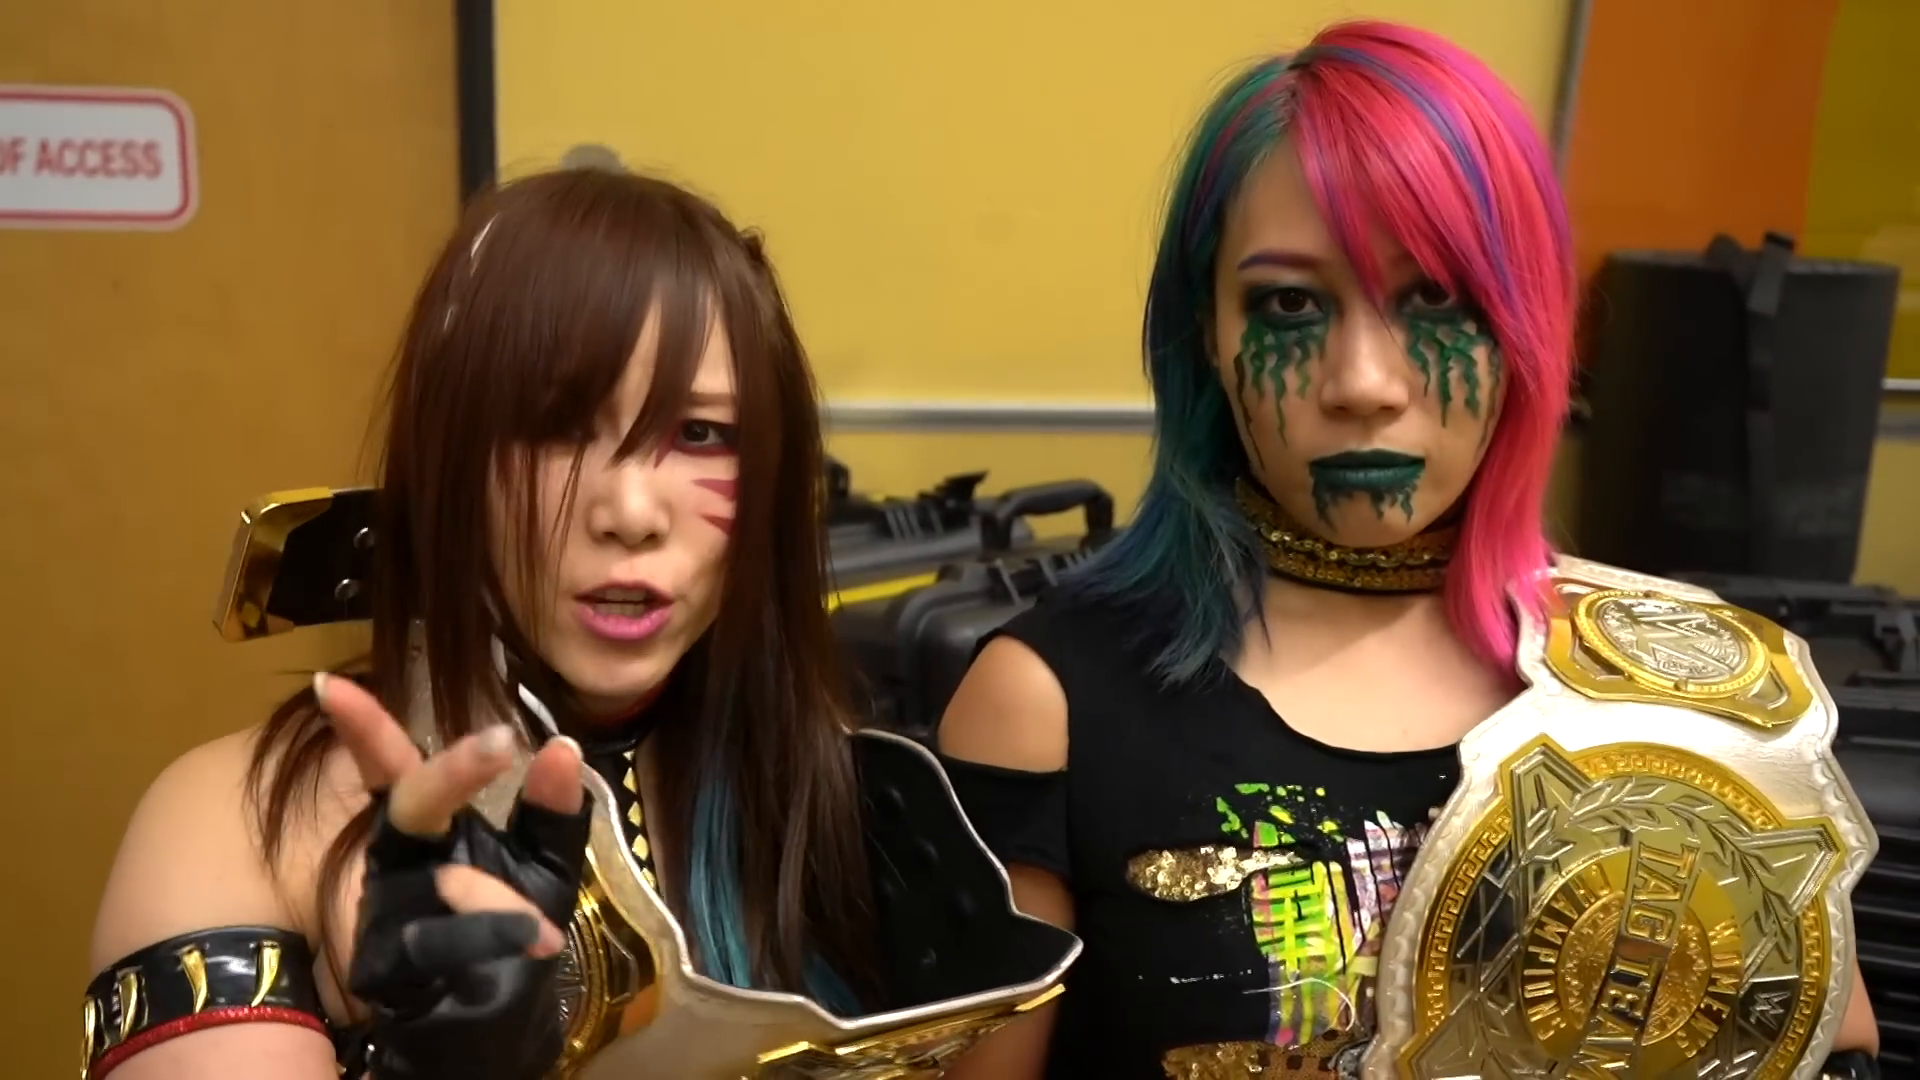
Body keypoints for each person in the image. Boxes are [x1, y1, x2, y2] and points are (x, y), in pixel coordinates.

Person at [935, 20, 1884, 1080]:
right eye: (1289, 303)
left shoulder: (1684, 693)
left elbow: (1824, 1044)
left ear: (1524, 326)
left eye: (1434, 298)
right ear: (1208, 334)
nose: (1364, 383)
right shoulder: (1047, 705)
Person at [84, 168, 1075, 1080]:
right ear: (448, 464)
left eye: (702, 433)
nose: (630, 512)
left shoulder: (842, 807)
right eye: (556, 428)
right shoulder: (236, 824)